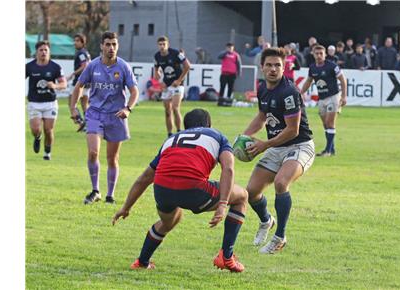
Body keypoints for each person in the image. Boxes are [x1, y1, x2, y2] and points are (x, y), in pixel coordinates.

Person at [112, 109, 248, 272]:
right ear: (208, 124)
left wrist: (126, 208)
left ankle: (142, 262)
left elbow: (145, 178)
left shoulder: (171, 139)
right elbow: (228, 169)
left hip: (163, 190)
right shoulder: (216, 135)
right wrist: (223, 204)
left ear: (185, 126)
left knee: (170, 220)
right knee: (242, 196)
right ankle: (226, 257)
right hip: (193, 188)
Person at [242, 48, 315, 254]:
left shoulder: (290, 92)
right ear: (262, 67)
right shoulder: (262, 88)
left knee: (281, 183)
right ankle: (266, 221)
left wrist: (264, 145)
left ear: (284, 68)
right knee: (252, 191)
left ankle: (279, 237)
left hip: (299, 146)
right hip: (277, 146)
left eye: (278, 65)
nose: (273, 69)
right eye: (269, 65)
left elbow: (293, 130)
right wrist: (243, 137)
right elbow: (261, 117)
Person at [70, 31, 139, 205]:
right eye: (108, 44)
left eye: (114, 44)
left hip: (116, 116)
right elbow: (79, 86)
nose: (111, 48)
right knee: (93, 152)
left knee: (112, 158)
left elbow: (134, 91)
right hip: (95, 114)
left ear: (118, 46)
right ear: (101, 46)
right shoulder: (93, 66)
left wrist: (128, 109)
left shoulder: (123, 67)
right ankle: (95, 190)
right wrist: (73, 107)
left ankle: (110, 195)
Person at [300, 45, 347, 157]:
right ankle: (332, 149)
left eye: (321, 53)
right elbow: (309, 81)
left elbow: (343, 80)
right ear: (313, 54)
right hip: (322, 98)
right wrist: (301, 92)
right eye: (317, 53)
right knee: (326, 124)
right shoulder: (312, 68)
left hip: (333, 96)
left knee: (330, 123)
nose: (319, 55)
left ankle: (328, 151)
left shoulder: (332, 66)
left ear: (325, 54)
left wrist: (344, 96)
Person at [26, 40, 67, 160]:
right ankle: (37, 138)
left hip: (50, 104)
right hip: (34, 103)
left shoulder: (55, 67)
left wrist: (55, 86)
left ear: (49, 52)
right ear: (36, 52)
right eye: (41, 50)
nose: (43, 52)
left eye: (46, 50)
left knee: (48, 130)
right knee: (35, 129)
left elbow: (63, 84)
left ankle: (47, 152)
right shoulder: (29, 67)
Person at [154, 36, 191, 137]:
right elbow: (156, 67)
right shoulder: (157, 56)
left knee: (175, 107)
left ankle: (179, 131)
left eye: (164, 44)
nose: (162, 46)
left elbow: (187, 66)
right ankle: (170, 134)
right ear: (158, 45)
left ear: (167, 44)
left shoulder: (175, 53)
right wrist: (157, 74)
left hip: (178, 85)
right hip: (167, 85)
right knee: (167, 110)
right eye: (160, 44)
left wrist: (179, 80)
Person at [67, 33, 91, 131]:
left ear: (82, 42)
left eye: (77, 41)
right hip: (88, 81)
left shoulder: (81, 53)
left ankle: (81, 123)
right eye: (74, 40)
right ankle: (90, 125)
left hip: (79, 82)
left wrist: (73, 74)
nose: (75, 43)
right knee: (85, 104)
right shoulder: (86, 52)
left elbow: (84, 66)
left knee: (71, 103)